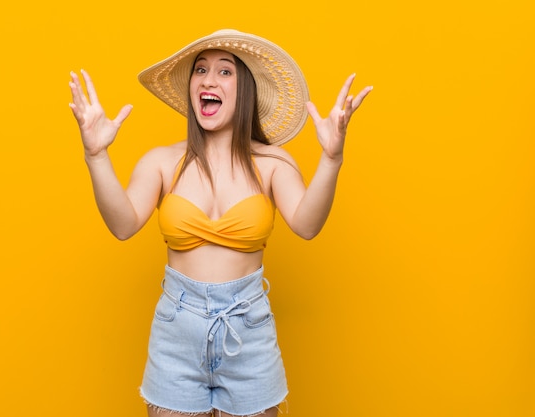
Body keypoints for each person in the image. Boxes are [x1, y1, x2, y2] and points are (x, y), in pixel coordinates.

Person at [69, 29, 371, 417]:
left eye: (225, 72)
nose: (209, 80)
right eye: (201, 70)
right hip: (177, 329)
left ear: (244, 89)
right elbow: (123, 225)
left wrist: (331, 161)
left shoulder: (273, 164)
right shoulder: (161, 161)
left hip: (248, 328)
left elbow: (307, 225)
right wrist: (96, 156)